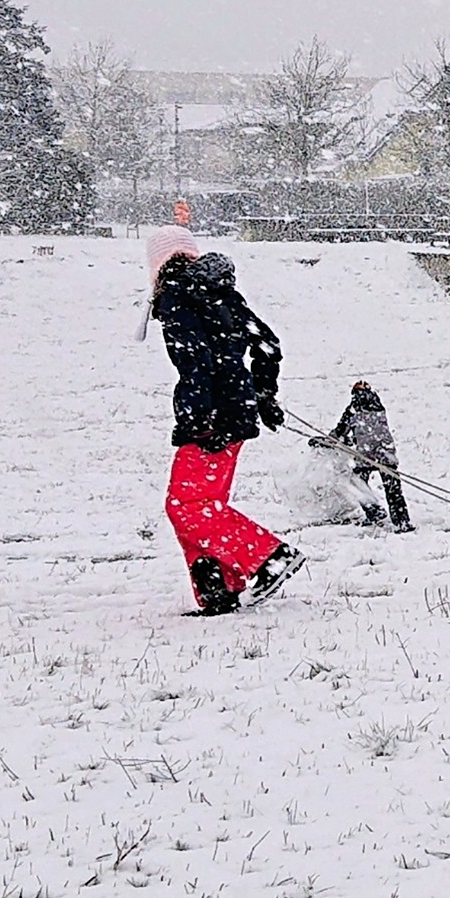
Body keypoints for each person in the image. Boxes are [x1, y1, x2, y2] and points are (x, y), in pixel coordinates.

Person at [146, 227, 304, 614]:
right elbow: (267, 344)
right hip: (236, 409)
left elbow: (195, 360)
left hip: (211, 415)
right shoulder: (221, 292)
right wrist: (264, 395)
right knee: (204, 503)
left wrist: (202, 417)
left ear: (158, 262)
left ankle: (269, 557)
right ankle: (218, 590)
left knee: (186, 504)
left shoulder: (176, 296)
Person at [310, 381, 414, 531]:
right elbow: (372, 432)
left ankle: (374, 511)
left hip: (366, 455)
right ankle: (403, 522)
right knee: (393, 490)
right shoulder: (379, 407)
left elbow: (339, 433)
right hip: (386, 453)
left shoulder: (353, 409)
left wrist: (323, 442)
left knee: (357, 484)